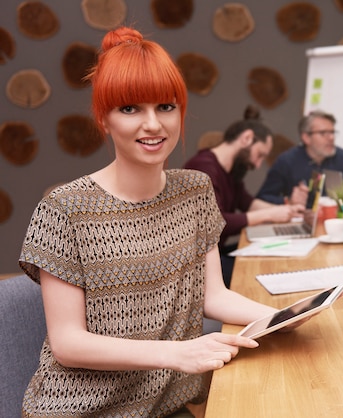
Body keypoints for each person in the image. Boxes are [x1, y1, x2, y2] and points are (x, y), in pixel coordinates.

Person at [17, 27, 302, 417]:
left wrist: (280, 318)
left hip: (164, 405)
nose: (153, 124)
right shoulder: (64, 209)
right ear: (104, 119)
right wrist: (179, 353)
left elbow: (212, 296)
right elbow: (68, 343)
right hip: (81, 410)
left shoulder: (195, 191)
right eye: (130, 109)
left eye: (165, 107)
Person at [183, 106, 303, 287]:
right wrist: (270, 215)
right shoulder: (203, 168)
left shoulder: (231, 172)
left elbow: (248, 203)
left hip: (215, 254)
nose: (257, 164)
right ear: (246, 138)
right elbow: (215, 223)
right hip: (195, 266)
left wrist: (285, 209)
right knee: (263, 272)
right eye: (259, 155)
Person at [256, 110, 343, 205]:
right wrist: (288, 200)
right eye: (323, 133)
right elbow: (262, 198)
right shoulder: (286, 161)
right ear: (306, 138)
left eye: (332, 132)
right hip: (299, 220)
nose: (331, 137)